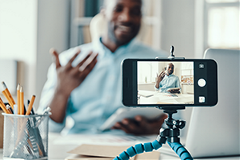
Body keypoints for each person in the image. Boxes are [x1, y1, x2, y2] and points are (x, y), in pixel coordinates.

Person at [38, 0, 168, 135]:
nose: (126, 18)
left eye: (135, 12)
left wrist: (153, 129)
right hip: (76, 144)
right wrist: (61, 92)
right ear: (104, 12)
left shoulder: (160, 63)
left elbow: (177, 127)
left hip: (134, 148)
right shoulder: (68, 62)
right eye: (118, 9)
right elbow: (46, 130)